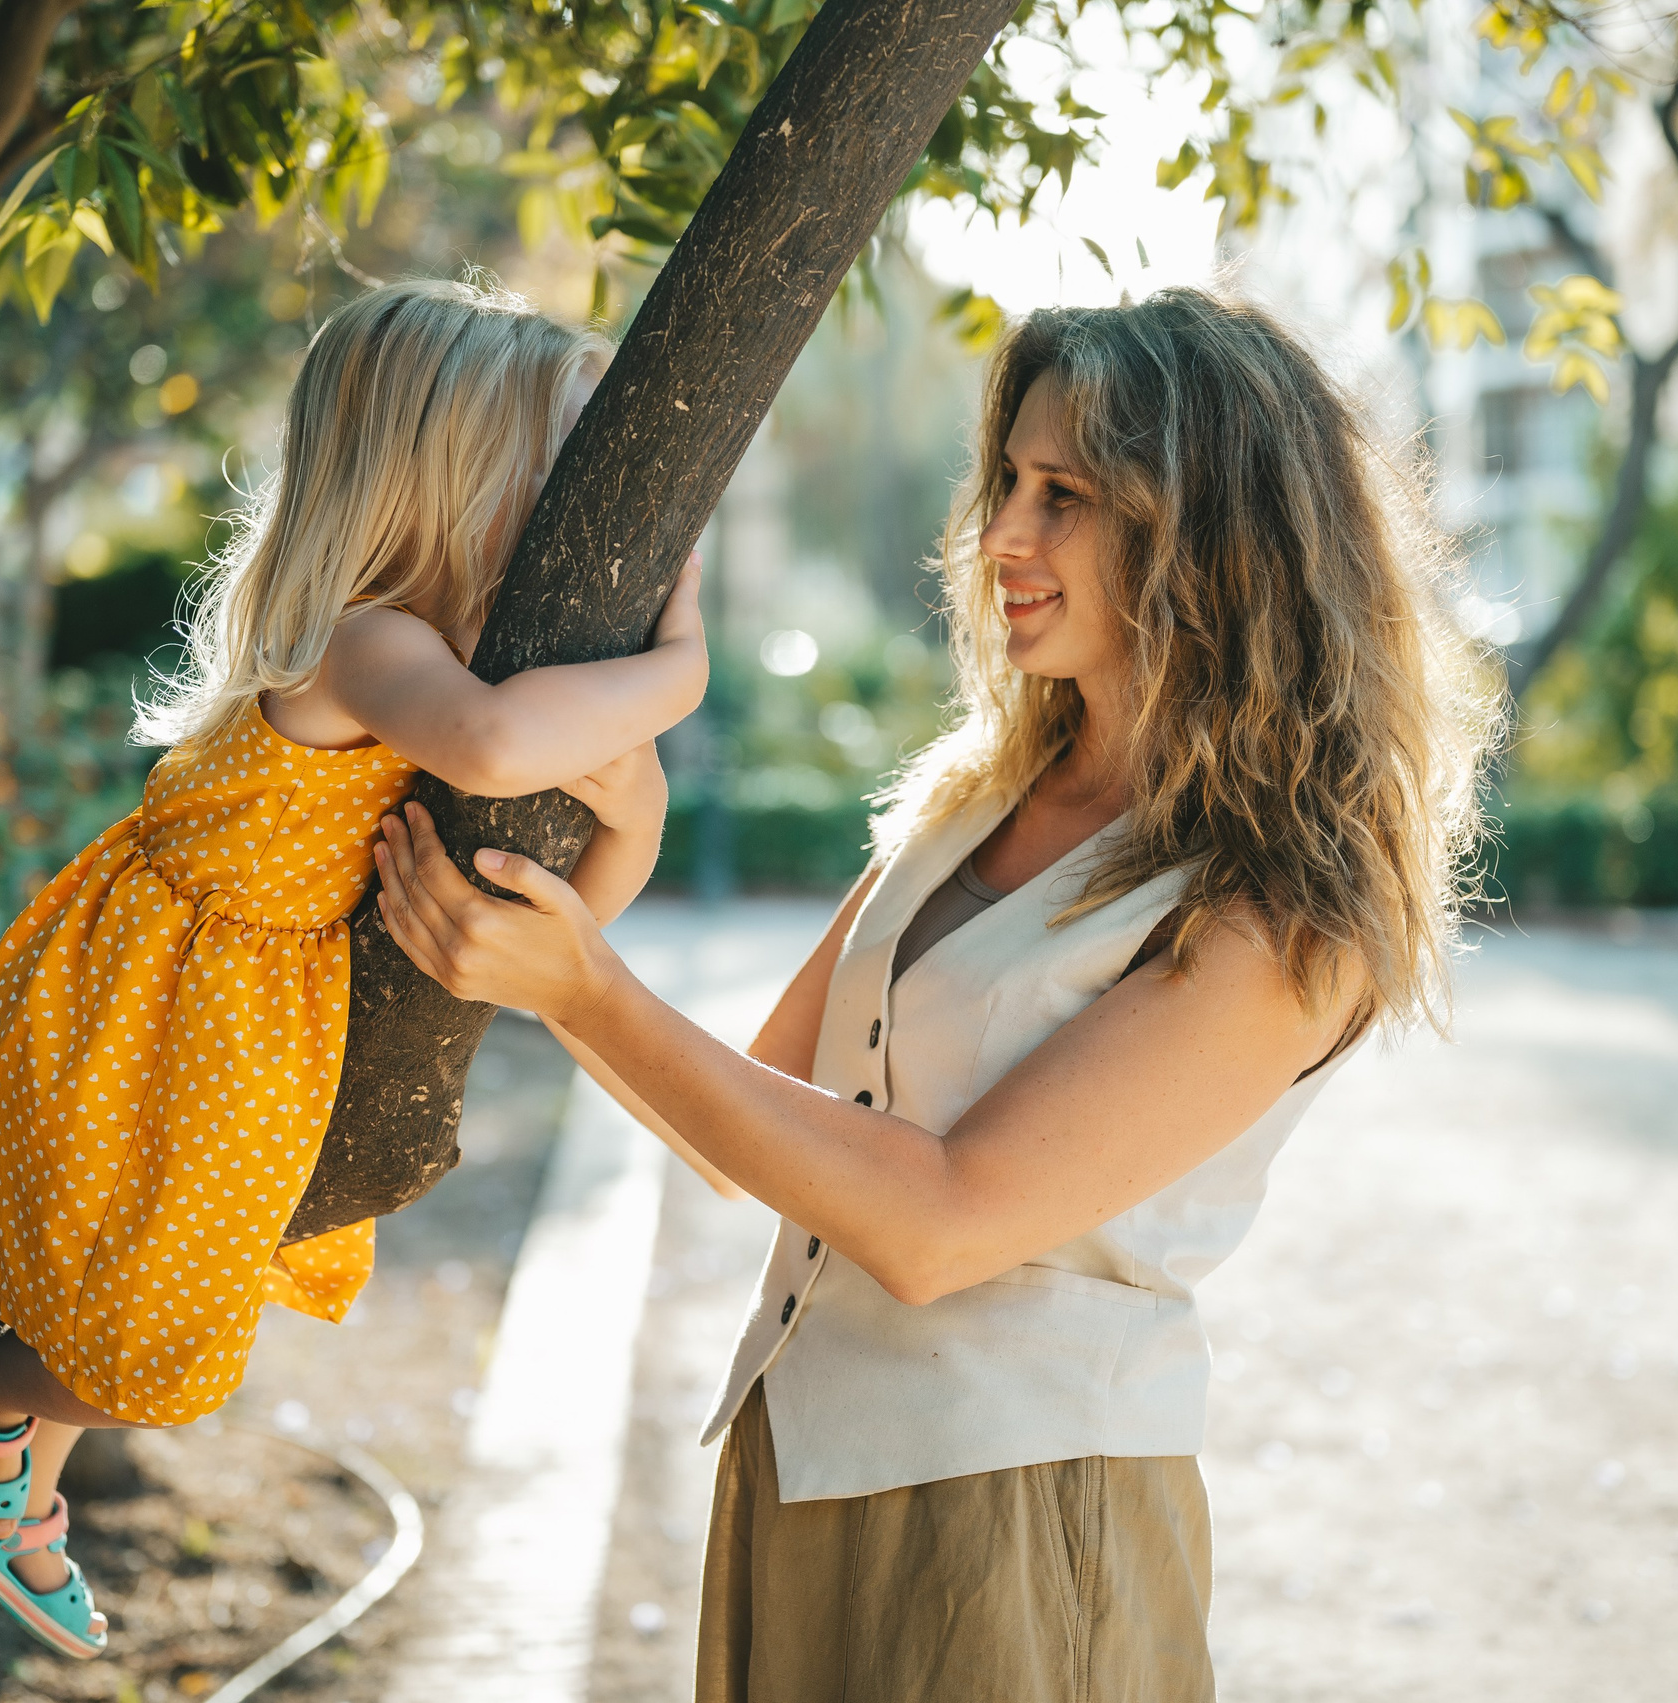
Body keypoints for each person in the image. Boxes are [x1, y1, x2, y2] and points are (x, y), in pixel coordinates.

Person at [375, 287, 1501, 1702]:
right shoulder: (975, 797)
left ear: (1205, 531)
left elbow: (941, 1222)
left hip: (1018, 1521)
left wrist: (585, 992)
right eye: (1007, 485)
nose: (1003, 540)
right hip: (797, 1459)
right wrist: (589, 899)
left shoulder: (1279, 911)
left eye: (1067, 496)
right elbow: (763, 1109)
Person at [0, 277, 705, 1657]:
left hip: (248, 1018)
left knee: (155, 1293)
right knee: (147, 1337)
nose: (578, 518)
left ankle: (24, 1492)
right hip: (161, 1002)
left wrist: (643, 812)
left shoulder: (450, 672)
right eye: (551, 478)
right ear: (443, 480)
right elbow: (497, 751)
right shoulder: (366, 640)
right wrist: (682, 671)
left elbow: (560, 930)